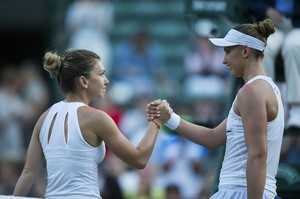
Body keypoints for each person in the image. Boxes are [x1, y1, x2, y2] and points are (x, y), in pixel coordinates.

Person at [147, 19, 284, 199]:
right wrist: (170, 118)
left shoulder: (252, 92)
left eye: (228, 52)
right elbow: (212, 138)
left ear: (245, 50)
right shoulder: (265, 90)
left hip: (240, 192)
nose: (223, 60)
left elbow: (257, 155)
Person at [12, 49, 171, 199]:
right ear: (84, 81)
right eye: (101, 74)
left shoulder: (44, 118)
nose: (106, 81)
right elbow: (139, 160)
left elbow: (28, 172)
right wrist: (157, 121)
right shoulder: (97, 118)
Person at [241, 0, 300, 133]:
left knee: (293, 46)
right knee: (263, 49)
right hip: (271, 25)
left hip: (297, 25)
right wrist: (267, 10)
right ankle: (269, 104)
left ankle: (296, 109)